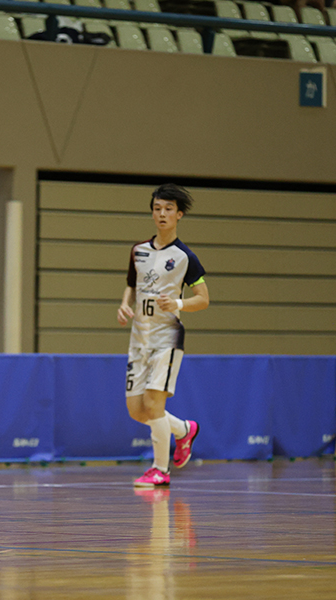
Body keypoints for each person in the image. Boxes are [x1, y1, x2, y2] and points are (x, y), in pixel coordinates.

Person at [116, 184, 210, 488]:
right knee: (137, 410)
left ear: (179, 214)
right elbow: (132, 284)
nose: (162, 214)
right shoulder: (139, 251)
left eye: (168, 209)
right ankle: (184, 430)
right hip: (139, 339)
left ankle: (160, 470)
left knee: (154, 404)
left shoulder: (185, 256)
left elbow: (204, 299)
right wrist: (124, 304)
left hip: (166, 338)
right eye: (157, 208)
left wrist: (178, 304)